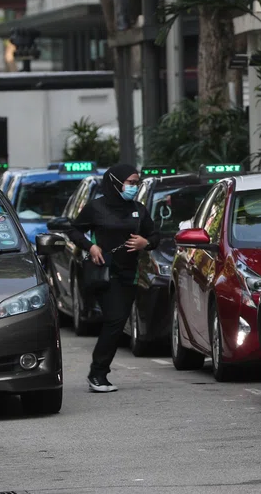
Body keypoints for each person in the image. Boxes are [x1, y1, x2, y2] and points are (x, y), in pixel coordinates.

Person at [66, 163, 159, 393]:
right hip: (105, 273)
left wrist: (145, 243)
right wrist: (91, 247)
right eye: (130, 182)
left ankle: (98, 372)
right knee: (115, 320)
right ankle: (97, 373)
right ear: (116, 182)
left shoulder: (138, 209)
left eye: (137, 182)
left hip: (130, 274)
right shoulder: (97, 207)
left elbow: (155, 234)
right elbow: (74, 230)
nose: (134, 187)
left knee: (117, 323)